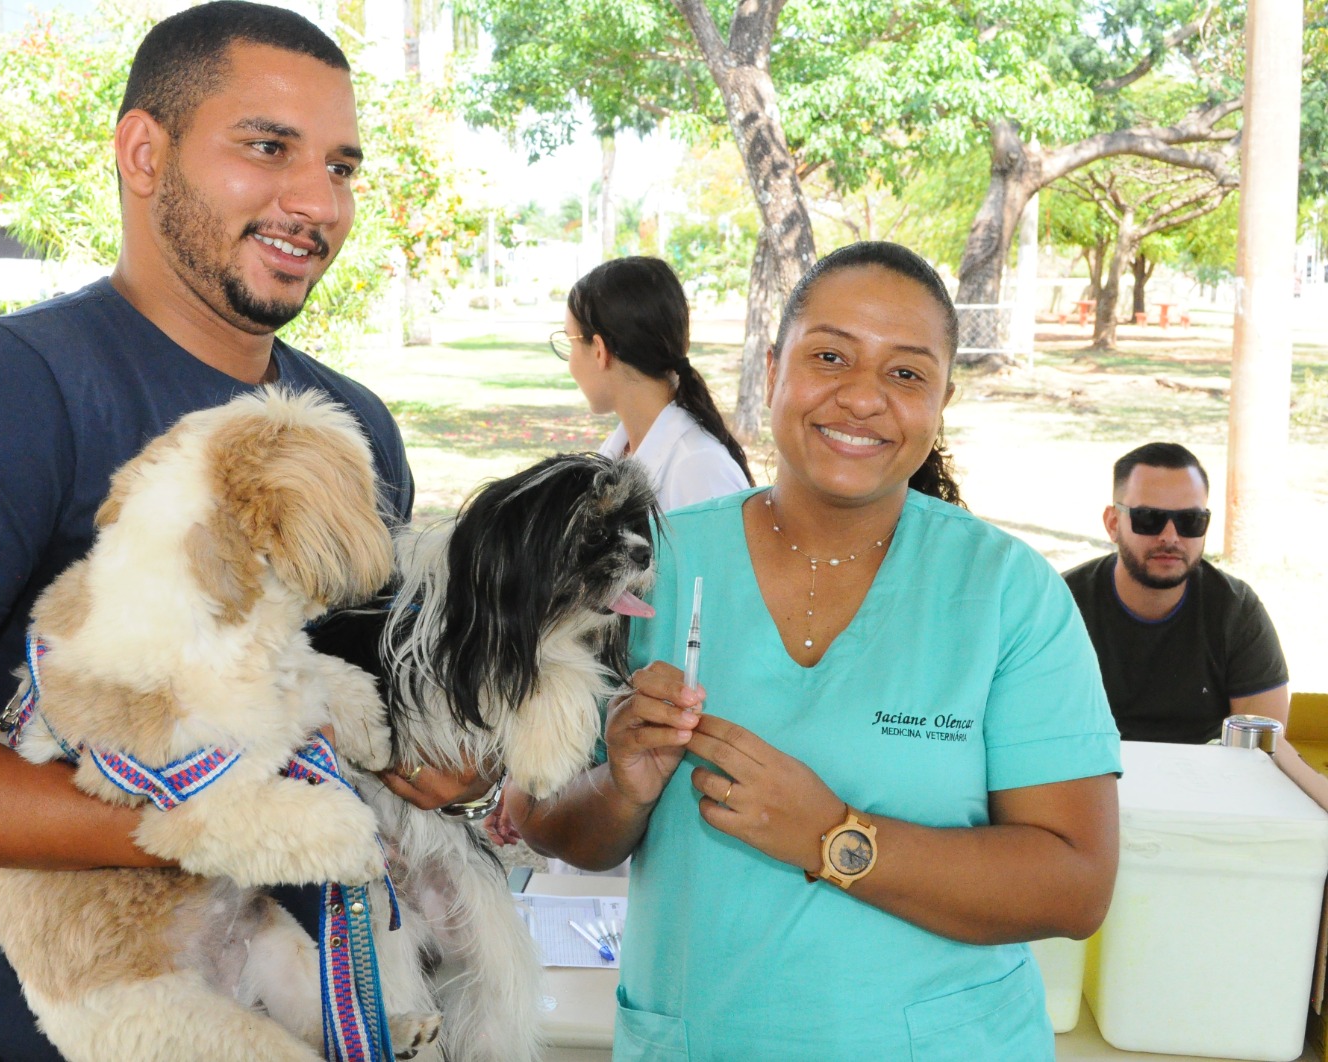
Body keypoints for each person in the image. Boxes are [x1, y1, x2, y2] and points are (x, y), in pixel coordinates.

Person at [0, 6, 491, 1060]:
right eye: (267, 148)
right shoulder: (9, 390)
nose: (318, 202)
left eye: (341, 166)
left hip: (325, 1013)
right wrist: (195, 824)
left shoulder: (347, 429)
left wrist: (448, 767)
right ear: (145, 152)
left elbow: (344, 715)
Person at [508, 241, 1122, 1059]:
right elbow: (542, 819)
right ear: (772, 371)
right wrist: (621, 789)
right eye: (829, 356)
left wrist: (835, 839)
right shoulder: (646, 567)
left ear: (942, 398)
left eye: (906, 374)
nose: (863, 398)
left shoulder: (1008, 594)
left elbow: (1076, 885)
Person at [1064, 442, 1289, 744]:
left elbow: (1263, 749)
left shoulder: (1235, 610)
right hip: (1088, 779)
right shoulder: (1061, 605)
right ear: (1113, 523)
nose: (1170, 537)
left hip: (1207, 784)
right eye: (1149, 518)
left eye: (1190, 521)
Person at [553, 256, 752, 510]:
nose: (570, 361)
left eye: (570, 342)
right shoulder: (619, 449)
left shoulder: (700, 470)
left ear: (599, 351)